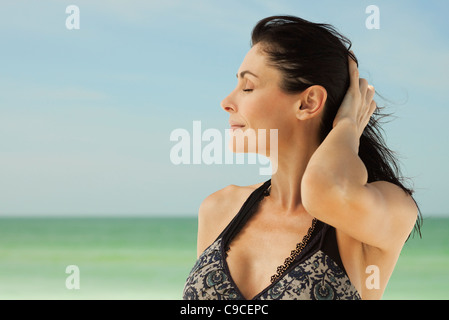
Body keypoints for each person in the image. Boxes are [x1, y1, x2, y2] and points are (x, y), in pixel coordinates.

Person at [183, 15, 422, 300]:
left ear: (308, 102)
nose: (226, 102)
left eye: (247, 88)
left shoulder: (382, 211)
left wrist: (347, 125)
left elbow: (323, 190)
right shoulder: (219, 209)